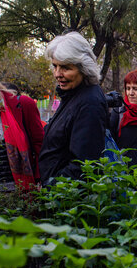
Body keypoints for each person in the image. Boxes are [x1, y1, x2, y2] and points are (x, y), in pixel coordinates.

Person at [38, 31, 108, 186]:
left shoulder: (89, 102)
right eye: (55, 66)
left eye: (65, 68)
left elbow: (84, 165)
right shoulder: (72, 95)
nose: (57, 74)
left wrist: (51, 188)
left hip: (66, 201)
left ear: (84, 68)